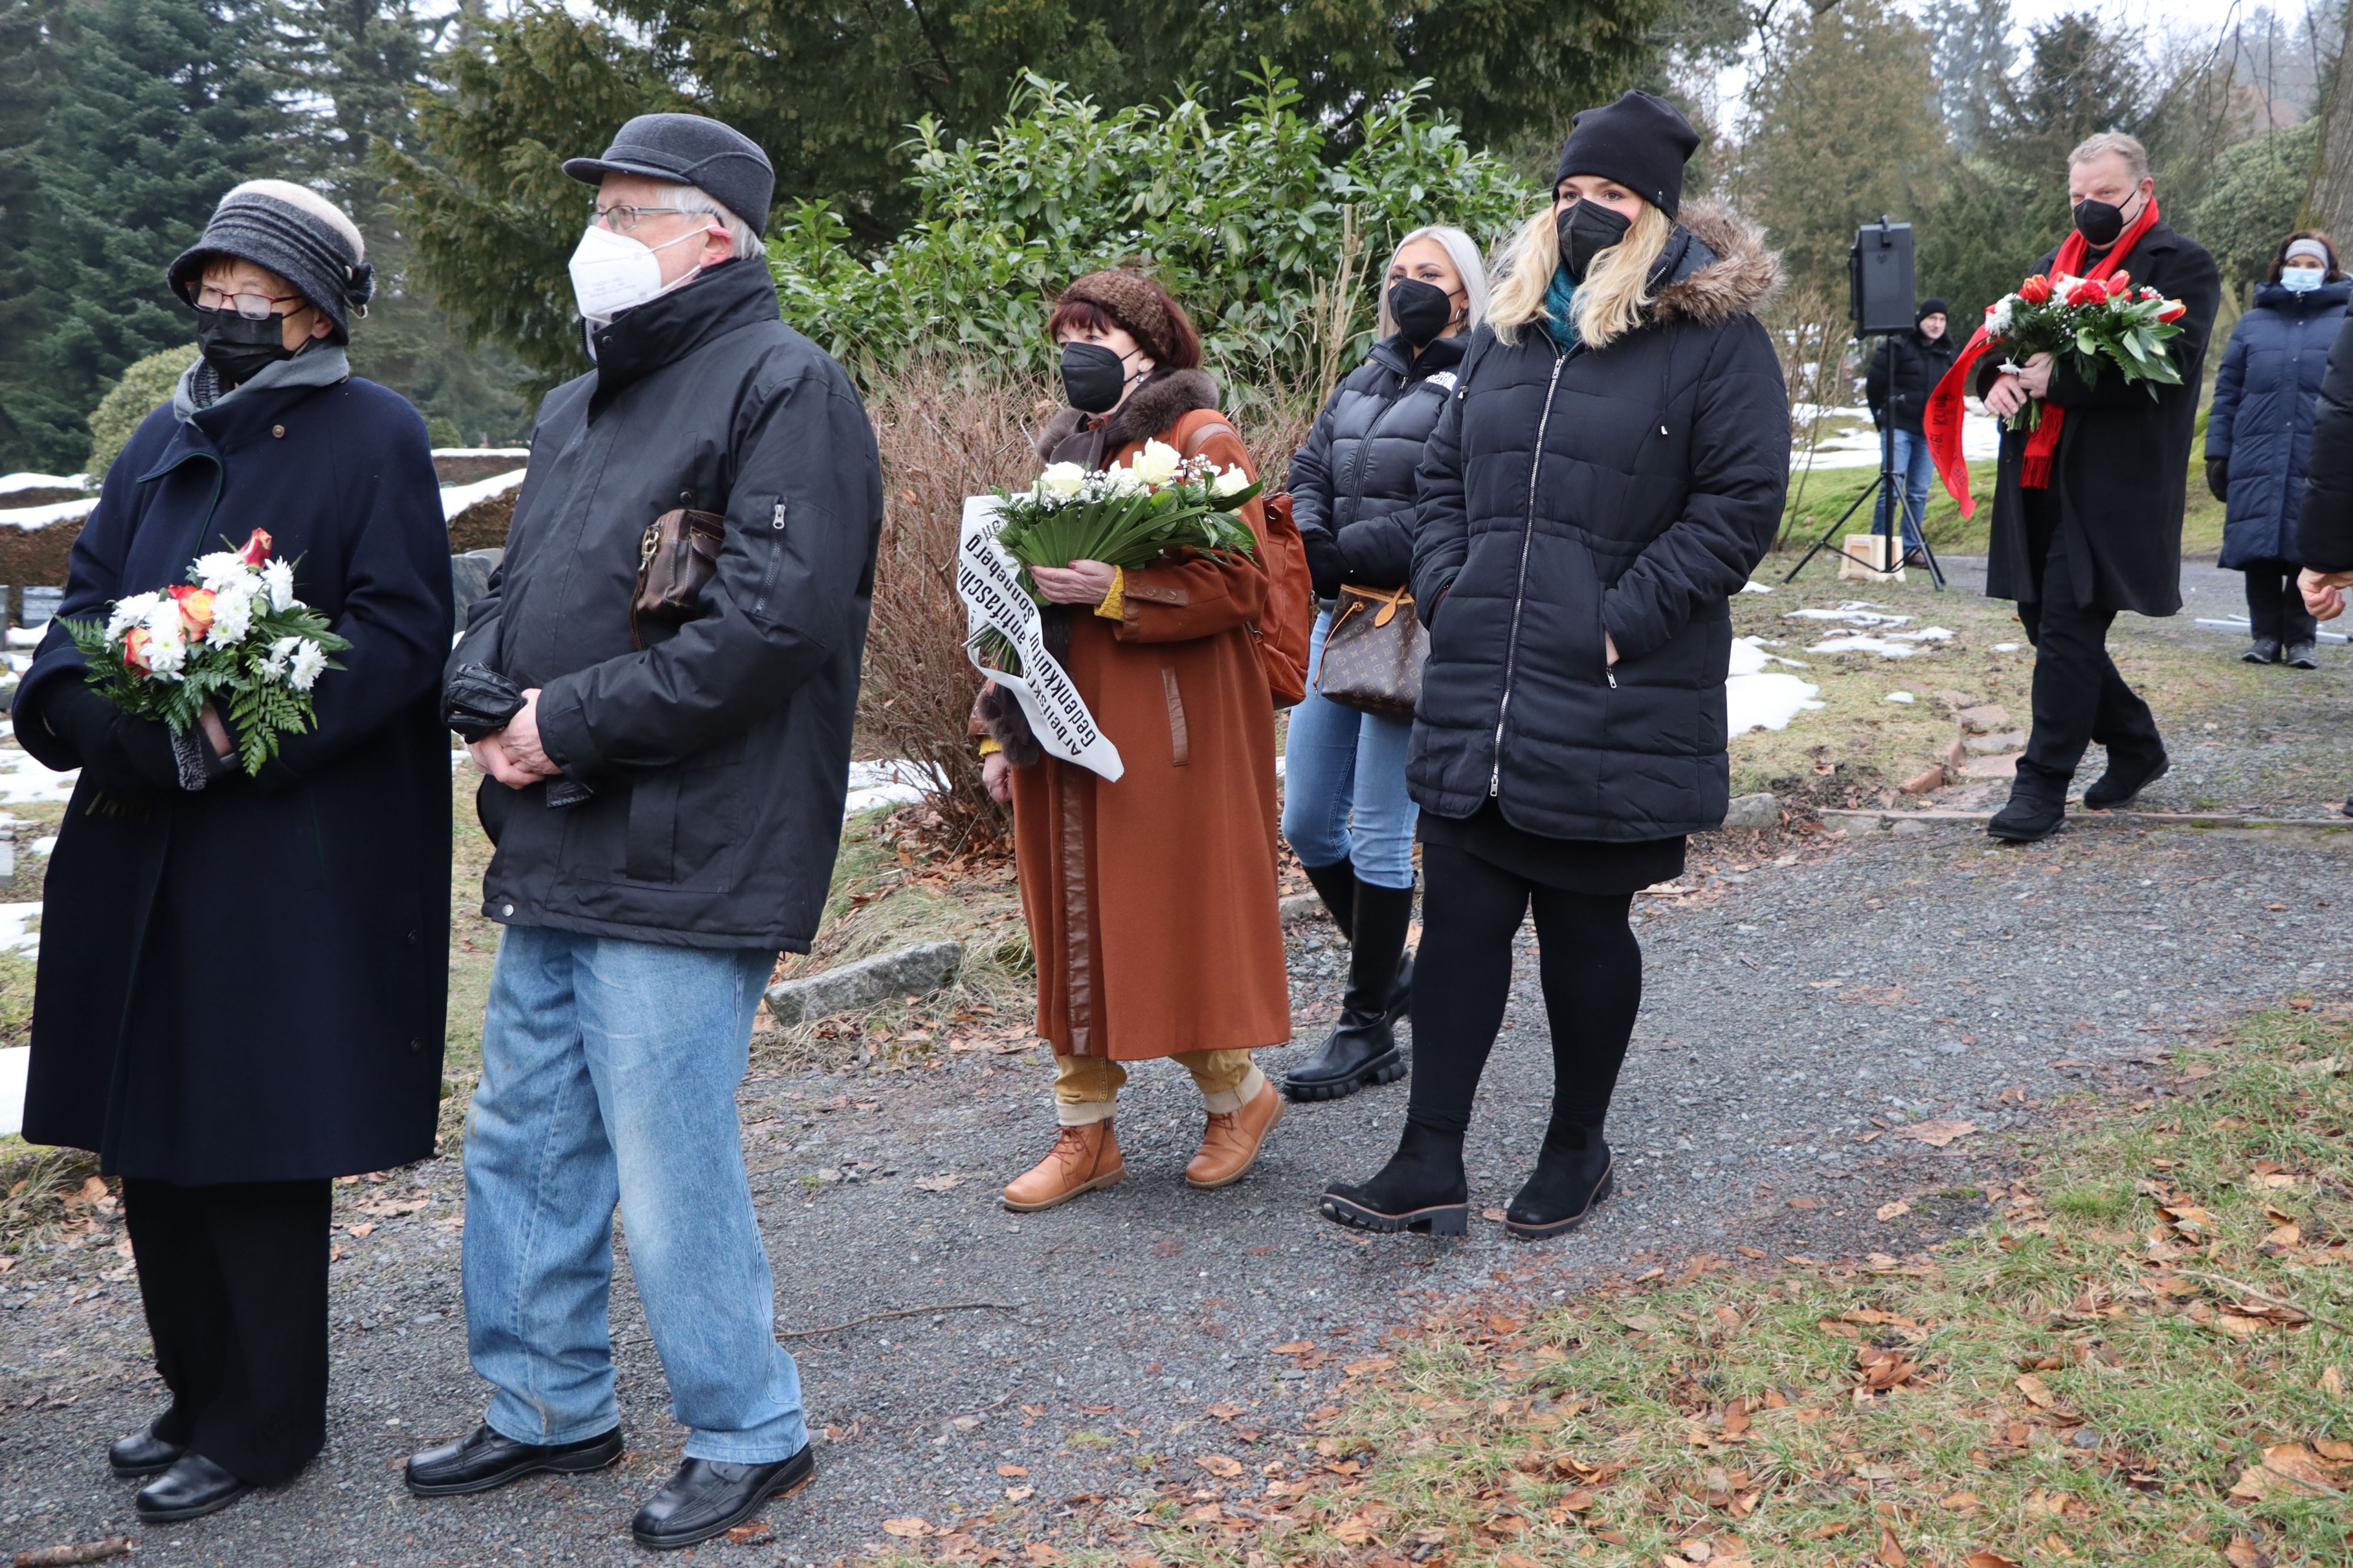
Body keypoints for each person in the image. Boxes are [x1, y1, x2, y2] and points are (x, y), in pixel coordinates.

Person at [403, 114, 883, 1552]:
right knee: (524, 1130)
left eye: (630, 209)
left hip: (690, 839)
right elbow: (516, 584)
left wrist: (568, 722)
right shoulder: (577, 404)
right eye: (599, 206)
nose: (598, 235)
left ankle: (751, 1426)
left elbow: (771, 628)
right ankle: (548, 1404)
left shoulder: (787, 385)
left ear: (716, 234)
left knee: (668, 1151)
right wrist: (485, 693)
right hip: (553, 822)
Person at [10, 181, 451, 1522]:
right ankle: (196, 1388)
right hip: (141, 846)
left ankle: (269, 1421)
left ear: (315, 306)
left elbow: (396, 636)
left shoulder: (375, 437)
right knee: (153, 1136)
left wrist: (238, 727)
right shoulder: (158, 435)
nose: (226, 304)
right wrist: (112, 717)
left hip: (279, 858)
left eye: (254, 284)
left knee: (252, 1141)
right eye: (212, 280)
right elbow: (85, 610)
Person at [1317, 91, 1790, 1242]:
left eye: (1609, 199)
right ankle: (1428, 1157)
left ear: (1658, 215)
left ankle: (1575, 1147)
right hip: (1480, 684)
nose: (1581, 215)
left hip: (1609, 688)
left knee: (1584, 930)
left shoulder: (1711, 342)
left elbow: (1737, 507)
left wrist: (1618, 621)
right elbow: (1442, 480)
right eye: (1569, 194)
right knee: (1463, 923)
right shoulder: (1509, 329)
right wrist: (1447, 588)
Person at [974, 269, 1291, 1211]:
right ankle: (1085, 1134)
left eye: (1096, 332)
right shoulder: (1066, 450)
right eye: (1067, 332)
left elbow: (1242, 585)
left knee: (1165, 911)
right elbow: (1010, 602)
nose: (1076, 350)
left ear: (1149, 348)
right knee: (1069, 913)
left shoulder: (1201, 439)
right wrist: (998, 727)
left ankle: (1239, 1096)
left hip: (1162, 727)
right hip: (1060, 725)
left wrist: (1115, 589)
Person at [1278, 225, 1487, 1103]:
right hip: (1338, 619)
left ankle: (1365, 1026)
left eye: (1427, 275)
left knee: (1375, 826)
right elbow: (1309, 465)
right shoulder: (1361, 377)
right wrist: (1312, 542)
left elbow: (1449, 502)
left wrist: (1340, 552)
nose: (1409, 286)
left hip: (1409, 627)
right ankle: (1394, 978)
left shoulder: (1479, 381)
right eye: (1398, 273)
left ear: (1465, 295)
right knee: (1305, 825)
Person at [1963, 132, 2219, 842]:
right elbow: (2005, 345)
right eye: (2078, 197)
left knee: (2071, 628)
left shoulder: (2183, 264)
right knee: (2040, 621)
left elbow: (2171, 360)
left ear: (2141, 187)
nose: (2090, 209)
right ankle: (2135, 741)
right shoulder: (2054, 265)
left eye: (2104, 195)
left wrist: (2062, 379)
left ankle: (2040, 785)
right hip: (2040, 473)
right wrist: (1999, 380)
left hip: (2115, 483)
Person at [2206, 231, 2348, 668]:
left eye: (2312, 265)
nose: (2302, 272)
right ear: (2280, 266)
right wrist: (2218, 452)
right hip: (2257, 451)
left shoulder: (2346, 321)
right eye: (2296, 263)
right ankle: (2265, 636)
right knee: (2260, 545)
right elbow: (2228, 392)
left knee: (2310, 545)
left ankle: (2303, 638)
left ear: (2328, 271)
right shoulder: (2252, 324)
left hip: (2318, 451)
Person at [1864, 297, 1957, 552]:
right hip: (1899, 427)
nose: (1937, 325)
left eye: (1942, 320)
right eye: (1932, 319)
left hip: (1930, 433)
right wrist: (1881, 418)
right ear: (1921, 320)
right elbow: (1874, 384)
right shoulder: (1899, 346)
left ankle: (1911, 548)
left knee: (1918, 492)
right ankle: (1880, 547)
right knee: (1892, 489)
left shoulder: (1948, 353)